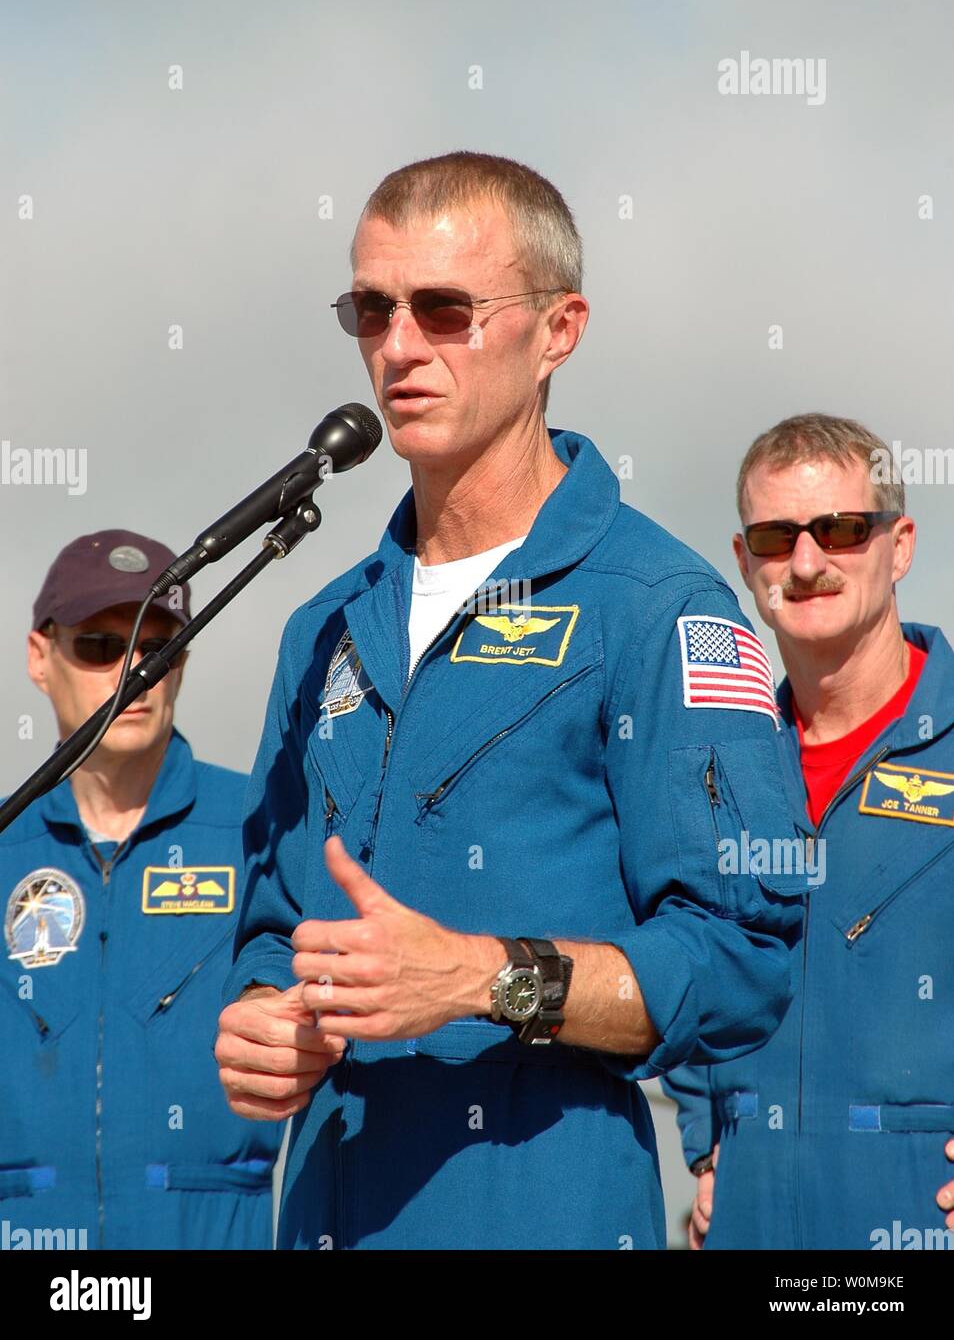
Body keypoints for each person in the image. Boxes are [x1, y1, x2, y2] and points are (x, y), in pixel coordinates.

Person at [215, 151, 807, 1251]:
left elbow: (741, 965)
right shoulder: (321, 631)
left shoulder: (664, 608)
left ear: (559, 328)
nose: (397, 348)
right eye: (371, 309)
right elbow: (269, 932)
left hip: (539, 1200)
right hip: (324, 1209)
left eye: (445, 309)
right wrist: (259, 1024)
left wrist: (488, 977)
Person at [665, 413, 954, 1250]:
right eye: (775, 535)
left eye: (840, 529)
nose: (806, 561)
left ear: (899, 546)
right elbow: (669, 940)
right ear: (743, 561)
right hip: (752, 1218)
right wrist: (706, 1142)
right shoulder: (716, 765)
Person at [1, 530, 281, 1249]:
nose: (133, 675)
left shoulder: (267, 832)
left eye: (156, 651)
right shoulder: (5, 851)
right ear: (40, 657)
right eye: (99, 647)